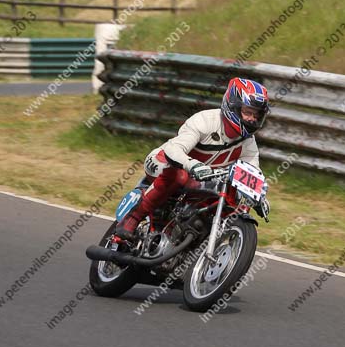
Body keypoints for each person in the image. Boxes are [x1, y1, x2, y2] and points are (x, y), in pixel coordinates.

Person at [115, 78, 271, 242]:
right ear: (233, 105)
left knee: (237, 195)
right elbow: (173, 149)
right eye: (248, 112)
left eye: (257, 114)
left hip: (203, 178)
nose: (252, 119)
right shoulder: (205, 121)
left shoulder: (248, 143)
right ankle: (132, 219)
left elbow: (252, 173)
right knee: (179, 176)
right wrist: (192, 165)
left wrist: (259, 196)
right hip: (164, 162)